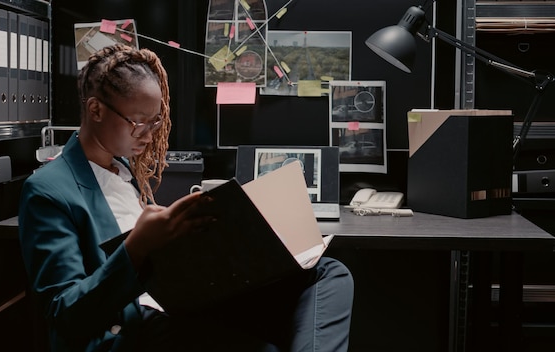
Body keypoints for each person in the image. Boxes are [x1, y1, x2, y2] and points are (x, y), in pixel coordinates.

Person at [19, 43, 354, 352]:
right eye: (139, 124)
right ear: (95, 110)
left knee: (327, 272)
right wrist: (137, 247)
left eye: (156, 122)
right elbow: (65, 314)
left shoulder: (123, 172)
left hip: (182, 301)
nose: (149, 135)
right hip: (134, 326)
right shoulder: (49, 189)